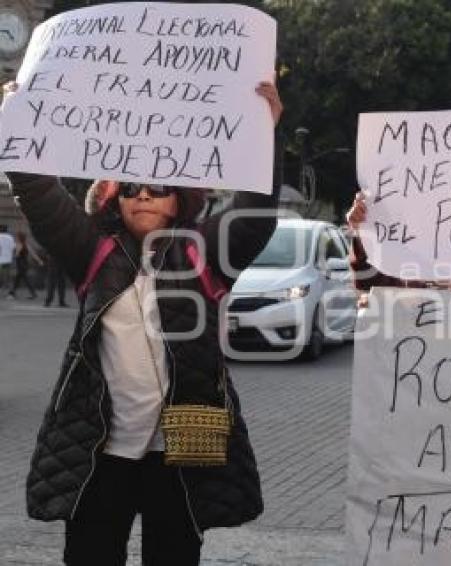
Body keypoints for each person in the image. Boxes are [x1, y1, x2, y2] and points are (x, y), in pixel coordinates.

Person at [2, 80, 283, 565]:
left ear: (181, 199)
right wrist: (16, 119)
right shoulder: (92, 248)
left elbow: (256, 213)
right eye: (131, 187)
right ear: (114, 196)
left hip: (181, 450)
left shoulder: (207, 251)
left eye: (160, 188)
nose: (145, 196)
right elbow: (37, 192)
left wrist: (266, 135)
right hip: (98, 448)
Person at [7, 230, 42, 299]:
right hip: (24, 264)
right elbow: (33, 254)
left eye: (16, 237)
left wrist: (14, 253)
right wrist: (39, 261)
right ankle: (13, 293)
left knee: (22, 279)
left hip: (20, 265)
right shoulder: (26, 245)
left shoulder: (19, 245)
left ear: (19, 237)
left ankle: (12, 294)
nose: (15, 238)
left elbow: (16, 255)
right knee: (20, 279)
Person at [0, 225, 14, 289]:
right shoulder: (10, 237)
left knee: (1, 272)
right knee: (7, 272)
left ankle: (2, 284)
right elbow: (13, 248)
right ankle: (6, 284)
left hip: (1, 257)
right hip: (8, 258)